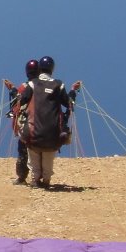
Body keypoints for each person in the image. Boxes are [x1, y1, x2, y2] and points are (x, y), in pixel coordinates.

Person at [17, 56, 78, 189]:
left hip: (33, 135)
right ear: (52, 69)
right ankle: (46, 180)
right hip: (53, 135)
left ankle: (35, 180)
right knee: (48, 161)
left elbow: (22, 100)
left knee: (34, 160)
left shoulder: (32, 84)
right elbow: (68, 103)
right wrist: (73, 91)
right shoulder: (58, 84)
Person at [4, 59, 40, 185]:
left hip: (27, 123)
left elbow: (18, 103)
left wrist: (13, 89)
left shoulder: (24, 87)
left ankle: (22, 177)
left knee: (23, 150)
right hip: (43, 123)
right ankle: (40, 177)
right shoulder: (45, 86)